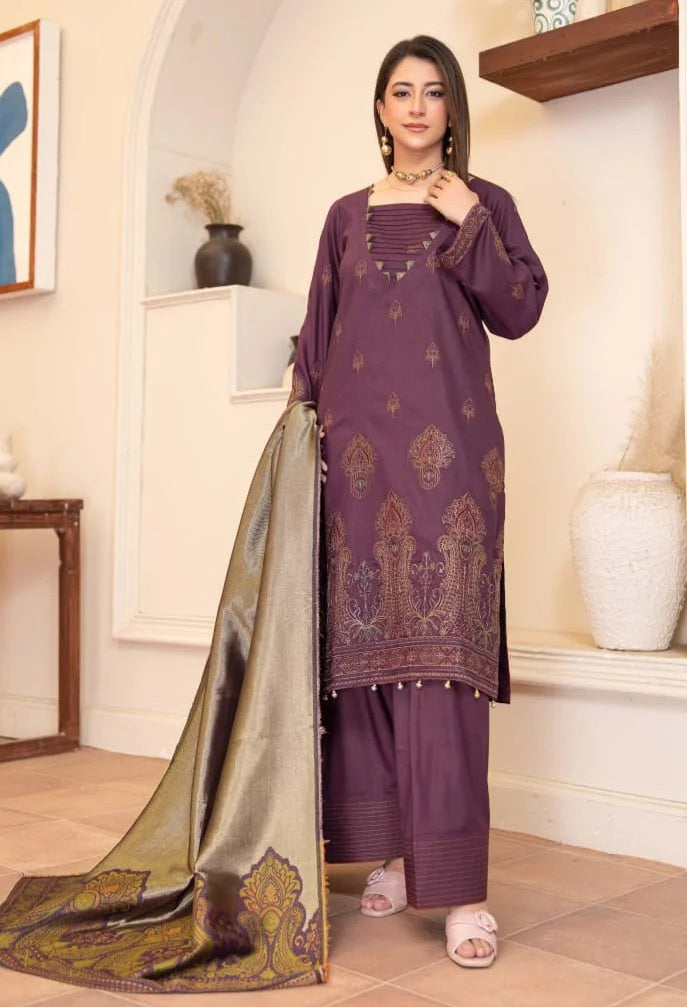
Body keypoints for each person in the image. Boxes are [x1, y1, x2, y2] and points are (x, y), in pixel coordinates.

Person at [287, 34, 548, 968]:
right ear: (380, 108)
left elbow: (519, 308)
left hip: (453, 467)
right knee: (363, 657)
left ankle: (460, 890)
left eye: (432, 93)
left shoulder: (484, 206)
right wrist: (298, 440)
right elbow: (315, 339)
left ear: (450, 112)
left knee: (443, 667)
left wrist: (470, 216)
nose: (414, 108)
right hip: (354, 462)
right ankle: (392, 849)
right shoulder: (344, 217)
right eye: (399, 91)